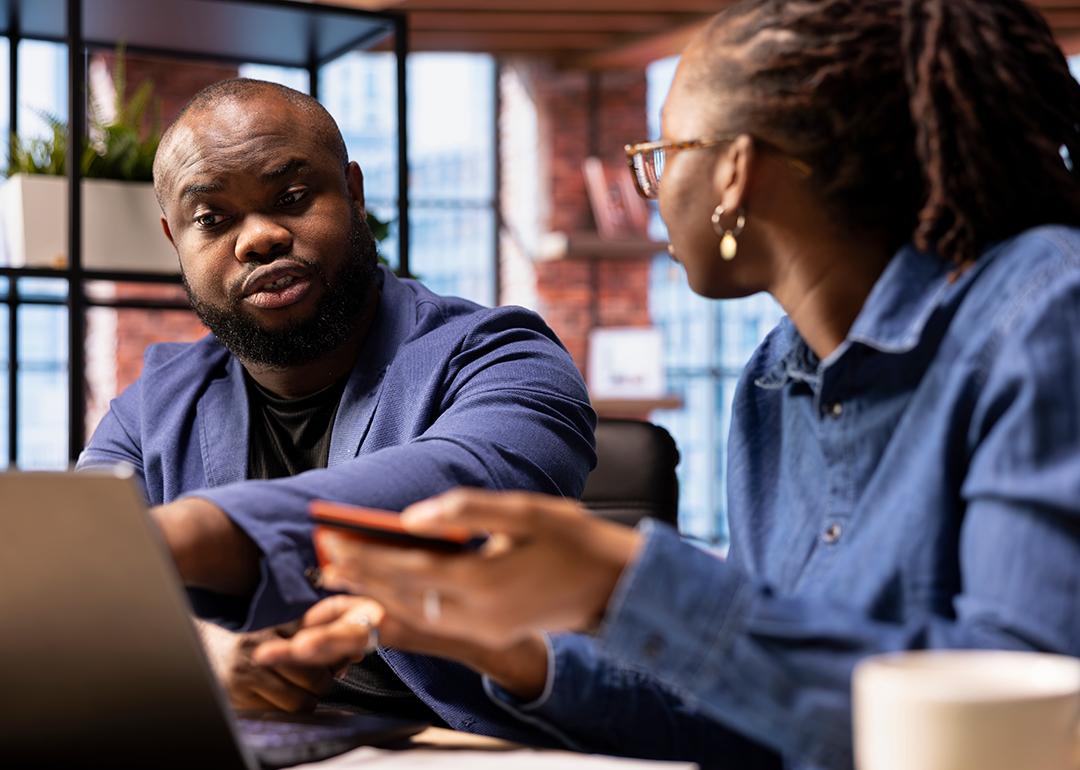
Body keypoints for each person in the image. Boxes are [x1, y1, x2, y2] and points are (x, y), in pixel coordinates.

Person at [256, 1, 1080, 768]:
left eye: (662, 154)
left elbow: (1027, 725)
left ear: (734, 173)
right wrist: (508, 648)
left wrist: (622, 583)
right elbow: (743, 711)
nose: (651, 192)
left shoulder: (1046, 310)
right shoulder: (773, 381)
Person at [76, 77, 602, 744]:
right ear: (174, 241)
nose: (259, 237)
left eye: (292, 197)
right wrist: (201, 649)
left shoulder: (504, 356)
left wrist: (193, 532)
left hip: (467, 747)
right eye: (212, 218)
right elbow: (77, 587)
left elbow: (466, 485)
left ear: (353, 192)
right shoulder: (152, 406)